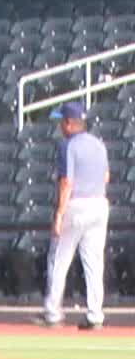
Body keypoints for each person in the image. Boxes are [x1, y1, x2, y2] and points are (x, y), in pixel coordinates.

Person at [42, 101, 110, 330]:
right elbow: (106, 177)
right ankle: (95, 315)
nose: (60, 126)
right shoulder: (99, 144)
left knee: (59, 259)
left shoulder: (68, 146)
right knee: (94, 263)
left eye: (62, 121)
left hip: (76, 204)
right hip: (99, 203)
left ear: (70, 123)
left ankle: (53, 313)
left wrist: (59, 214)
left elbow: (67, 182)